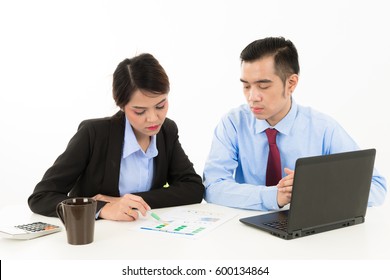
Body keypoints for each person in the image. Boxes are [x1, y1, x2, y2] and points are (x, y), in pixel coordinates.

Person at [203, 37, 387, 211]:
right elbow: (212, 187)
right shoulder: (233, 123)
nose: (252, 97)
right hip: (245, 227)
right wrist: (274, 196)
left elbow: (376, 187)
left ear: (291, 83)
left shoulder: (322, 128)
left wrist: (315, 188)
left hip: (307, 231)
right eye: (246, 86)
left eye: (263, 86)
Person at [28, 53, 204, 221]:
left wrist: (129, 201)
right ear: (121, 105)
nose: (153, 118)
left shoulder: (167, 131)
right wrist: (101, 208)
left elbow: (193, 188)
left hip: (146, 236)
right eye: (140, 111)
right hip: (96, 240)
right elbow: (41, 197)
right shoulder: (93, 134)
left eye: (160, 105)